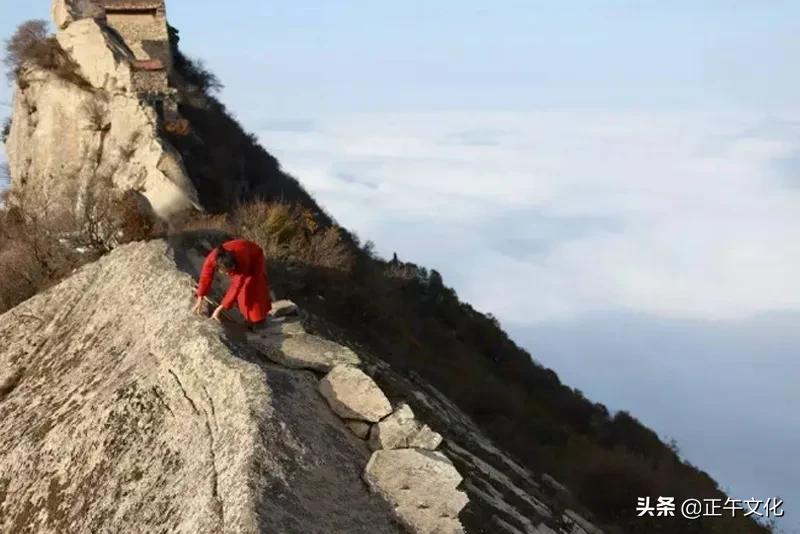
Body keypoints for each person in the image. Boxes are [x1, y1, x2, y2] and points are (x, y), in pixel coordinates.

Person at [193, 239, 271, 327]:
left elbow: (237, 286)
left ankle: (259, 320)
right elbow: (205, 277)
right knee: (242, 294)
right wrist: (200, 298)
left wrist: (219, 309)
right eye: (226, 272)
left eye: (229, 271)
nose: (227, 274)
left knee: (252, 286)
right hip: (240, 258)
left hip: (255, 257)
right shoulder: (212, 259)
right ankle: (248, 318)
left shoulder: (242, 259)